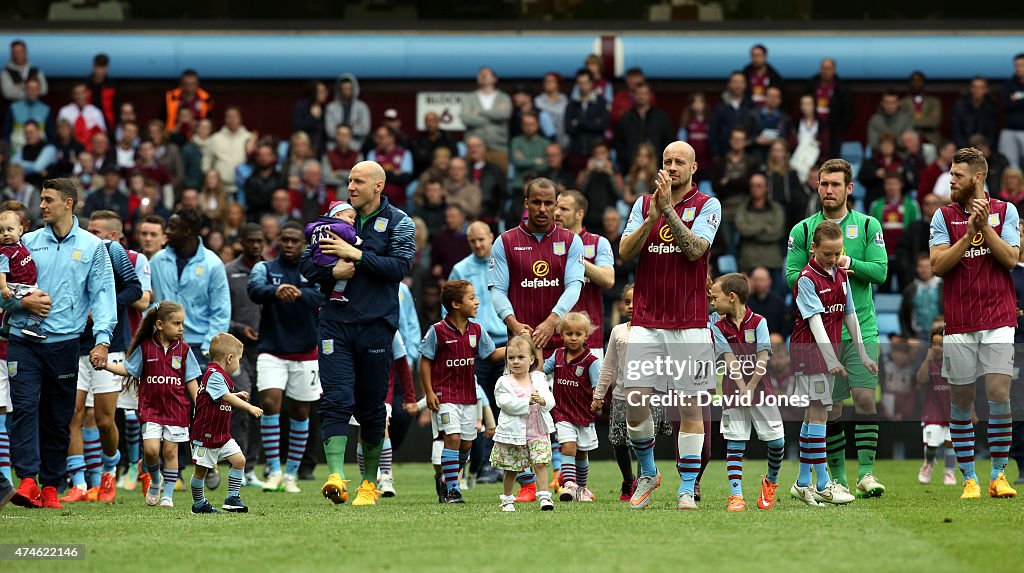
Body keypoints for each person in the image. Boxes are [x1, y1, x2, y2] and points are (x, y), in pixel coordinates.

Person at [299, 160, 415, 507]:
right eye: (349, 180)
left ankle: (368, 484)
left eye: (358, 181)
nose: (350, 186)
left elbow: (400, 266)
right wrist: (332, 268)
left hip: (377, 326)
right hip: (335, 323)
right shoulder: (334, 219)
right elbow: (306, 264)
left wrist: (357, 255)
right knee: (335, 398)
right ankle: (336, 475)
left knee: (371, 406)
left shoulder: (399, 222)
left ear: (378, 186)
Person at [618, 140, 722, 510]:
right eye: (667, 161)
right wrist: (651, 217)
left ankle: (687, 486)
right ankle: (648, 472)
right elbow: (624, 253)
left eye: (680, 162)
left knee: (691, 408)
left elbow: (696, 251)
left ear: (694, 168)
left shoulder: (708, 205)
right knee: (634, 400)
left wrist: (669, 212)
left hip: (690, 322)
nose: (672, 166)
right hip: (646, 319)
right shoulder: (643, 204)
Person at [5, 178, 116, 510]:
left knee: (58, 416)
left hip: (66, 344)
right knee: (24, 409)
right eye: (41, 199)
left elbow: (104, 296)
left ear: (68, 204)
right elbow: (4, 289)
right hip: (22, 340)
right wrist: (21, 304)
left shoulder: (93, 247)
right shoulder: (25, 242)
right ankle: (27, 479)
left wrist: (102, 340)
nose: (41, 205)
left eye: (47, 199)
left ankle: (51, 485)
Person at [786, 158, 888, 498]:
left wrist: (848, 264)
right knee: (830, 408)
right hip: (820, 332)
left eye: (835, 184)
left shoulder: (869, 224)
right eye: (823, 183)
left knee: (864, 398)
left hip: (861, 325)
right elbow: (790, 275)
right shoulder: (803, 229)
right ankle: (839, 476)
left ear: (849, 188)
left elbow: (881, 271)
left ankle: (867, 474)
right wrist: (818, 281)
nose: (828, 190)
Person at [928, 146, 1020, 499]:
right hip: (960, 320)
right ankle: (969, 478)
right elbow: (937, 265)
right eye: (951, 175)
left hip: (998, 318)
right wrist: (968, 235)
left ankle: (998, 475)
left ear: (977, 178)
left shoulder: (1005, 210)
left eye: (957, 176)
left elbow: (1011, 259)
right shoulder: (943, 217)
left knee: (999, 393)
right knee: (962, 399)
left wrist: (985, 228)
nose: (951, 181)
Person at [59, 211, 142, 504]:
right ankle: (80, 483)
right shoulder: (72, 250)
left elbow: (135, 290)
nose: (87, 233)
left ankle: (108, 472)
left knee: (106, 419)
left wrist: (104, 305)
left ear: (110, 235)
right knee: (74, 414)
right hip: (73, 343)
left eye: (95, 230)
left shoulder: (113, 251)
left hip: (109, 345)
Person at [789, 221, 874, 507]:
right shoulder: (806, 279)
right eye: (827, 253)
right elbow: (815, 322)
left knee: (813, 414)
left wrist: (862, 354)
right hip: (809, 352)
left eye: (837, 253)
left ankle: (803, 483)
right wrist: (831, 359)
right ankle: (824, 484)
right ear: (813, 248)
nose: (832, 258)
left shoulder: (840, 274)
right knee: (820, 412)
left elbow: (850, 314)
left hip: (828, 352)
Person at [248, 221, 324, 494]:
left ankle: (291, 473)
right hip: (271, 350)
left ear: (303, 244)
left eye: (295, 240)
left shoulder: (314, 269)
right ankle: (274, 470)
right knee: (269, 403)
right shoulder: (265, 268)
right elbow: (254, 290)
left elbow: (323, 296)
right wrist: (275, 291)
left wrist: (300, 294)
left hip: (306, 352)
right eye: (285, 240)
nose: (289, 245)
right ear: (279, 241)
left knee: (301, 411)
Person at [104, 301, 201, 508]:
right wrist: (105, 365)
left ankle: (168, 496)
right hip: (150, 410)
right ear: (159, 324)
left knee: (171, 453)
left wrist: (200, 403)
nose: (181, 328)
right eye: (176, 323)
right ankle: (156, 480)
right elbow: (129, 370)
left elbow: (191, 380)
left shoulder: (184, 350)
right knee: (150, 451)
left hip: (177, 409)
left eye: (182, 324)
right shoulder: (145, 348)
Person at [420, 280, 502, 503]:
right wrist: (429, 392)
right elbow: (425, 361)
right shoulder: (437, 331)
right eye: (472, 298)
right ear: (456, 304)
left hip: (469, 397)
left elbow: (492, 354)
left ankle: (445, 479)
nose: (477, 302)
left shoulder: (477, 330)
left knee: (466, 444)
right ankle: (454, 488)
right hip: (445, 396)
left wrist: (517, 346)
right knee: (452, 438)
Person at [708, 273, 785, 511]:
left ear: (731, 297)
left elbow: (763, 356)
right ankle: (736, 495)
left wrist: (751, 387)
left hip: (761, 389)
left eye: (715, 298)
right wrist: (742, 389)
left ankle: (771, 481)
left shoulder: (759, 321)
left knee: (777, 442)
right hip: (733, 392)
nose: (711, 303)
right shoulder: (716, 324)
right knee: (735, 443)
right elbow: (729, 359)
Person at [188, 332, 263, 514]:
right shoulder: (213, 374)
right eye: (238, 359)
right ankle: (199, 504)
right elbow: (224, 396)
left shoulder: (219, 376)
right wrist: (249, 407)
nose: (238, 364)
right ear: (229, 358)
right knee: (201, 472)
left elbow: (219, 396)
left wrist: (235, 395)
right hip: (205, 435)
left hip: (221, 434)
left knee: (239, 460)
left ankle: (232, 498)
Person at [149, 208, 230, 363]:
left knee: (197, 389)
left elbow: (221, 310)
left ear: (186, 231)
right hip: (162, 343)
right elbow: (147, 300)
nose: (167, 232)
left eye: (172, 228)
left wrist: (208, 348)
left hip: (199, 346)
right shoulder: (157, 260)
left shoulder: (212, 263)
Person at [491, 334, 556, 512]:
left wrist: (542, 400)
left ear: (531, 359)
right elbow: (503, 403)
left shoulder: (539, 378)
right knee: (512, 468)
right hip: (514, 433)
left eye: (521, 357)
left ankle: (544, 497)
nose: (516, 362)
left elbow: (551, 400)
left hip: (537, 431)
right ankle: (507, 499)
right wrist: (526, 401)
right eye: (511, 358)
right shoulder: (504, 382)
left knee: (540, 463)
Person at [541, 312, 601, 502]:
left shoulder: (591, 361)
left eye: (578, 334)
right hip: (562, 413)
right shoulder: (557, 355)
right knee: (567, 447)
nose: (573, 338)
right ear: (561, 334)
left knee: (582, 452)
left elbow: (597, 386)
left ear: (586, 335)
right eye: (569, 334)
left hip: (583, 414)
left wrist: (597, 400)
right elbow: (542, 372)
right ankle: (569, 485)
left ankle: (582, 488)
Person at [224, 223, 265, 487]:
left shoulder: (269, 270)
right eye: (251, 241)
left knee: (263, 406)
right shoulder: (228, 273)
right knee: (242, 405)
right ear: (241, 242)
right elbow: (221, 310)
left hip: (268, 348)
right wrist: (239, 328)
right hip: (236, 350)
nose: (256, 246)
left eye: (260, 241)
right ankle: (241, 464)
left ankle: (253, 464)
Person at [554, 189, 614, 355]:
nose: (557, 213)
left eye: (564, 209)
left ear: (579, 214)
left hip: (589, 341)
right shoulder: (545, 244)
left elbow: (608, 279)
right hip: (552, 340)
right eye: (556, 208)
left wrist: (575, 257)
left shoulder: (598, 243)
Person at [916, 328, 957, 486]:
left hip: (952, 409)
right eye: (934, 344)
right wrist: (927, 359)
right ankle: (928, 464)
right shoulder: (929, 363)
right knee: (932, 445)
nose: (938, 348)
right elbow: (920, 380)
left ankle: (949, 472)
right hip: (932, 409)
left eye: (941, 344)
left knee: (950, 442)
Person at [304, 201, 362, 304]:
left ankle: (319, 294)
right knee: (347, 268)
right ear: (337, 214)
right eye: (350, 217)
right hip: (332, 260)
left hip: (317, 261)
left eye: (354, 218)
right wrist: (358, 241)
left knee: (320, 282)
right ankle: (337, 293)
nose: (353, 221)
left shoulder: (316, 225)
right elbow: (352, 238)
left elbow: (307, 230)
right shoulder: (343, 227)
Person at [0, 211, 44, 339]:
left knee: (11, 310)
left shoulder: (20, 244)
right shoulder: (5, 253)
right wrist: (4, 288)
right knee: (42, 300)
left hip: (26, 282)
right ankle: (32, 325)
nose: (6, 234)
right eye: (1, 231)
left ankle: (4, 329)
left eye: (9, 229)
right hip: (19, 285)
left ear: (20, 230)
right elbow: (1, 272)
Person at [461, 66, 512, 172]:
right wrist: (492, 119)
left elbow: (504, 114)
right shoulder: (469, 98)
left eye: (486, 74)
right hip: (473, 147)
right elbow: (466, 118)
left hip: (498, 147)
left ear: (494, 79)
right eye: (481, 74)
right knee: (471, 179)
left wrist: (480, 112)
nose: (483, 76)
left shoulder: (504, 97)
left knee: (500, 180)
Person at [614, 83, 674, 174]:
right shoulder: (625, 118)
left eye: (644, 93)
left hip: (657, 169)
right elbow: (619, 143)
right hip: (630, 169)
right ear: (634, 96)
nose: (641, 96)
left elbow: (669, 142)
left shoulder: (660, 117)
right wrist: (628, 160)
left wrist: (661, 162)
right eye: (638, 93)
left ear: (649, 95)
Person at [735, 172, 786, 276]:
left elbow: (777, 233)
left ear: (766, 188)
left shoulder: (776, 209)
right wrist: (764, 226)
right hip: (748, 262)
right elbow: (743, 231)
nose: (755, 188)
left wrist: (752, 231)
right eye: (752, 185)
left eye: (759, 185)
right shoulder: (742, 209)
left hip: (772, 262)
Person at [565, 68, 610, 175]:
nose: (582, 86)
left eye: (585, 83)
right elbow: (568, 128)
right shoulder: (572, 104)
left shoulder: (601, 102)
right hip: (576, 152)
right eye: (579, 83)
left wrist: (579, 122)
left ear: (591, 83)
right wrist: (593, 122)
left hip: (595, 153)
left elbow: (603, 126)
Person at [804, 58, 852, 158]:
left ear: (834, 69)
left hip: (833, 131)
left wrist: (839, 129)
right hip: (813, 128)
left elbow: (847, 111)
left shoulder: (841, 87)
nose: (825, 71)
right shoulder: (811, 84)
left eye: (828, 68)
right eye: (823, 68)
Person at [208, 106, 253, 195]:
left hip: (243, 188)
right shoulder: (215, 139)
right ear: (225, 119)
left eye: (235, 117)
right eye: (229, 117)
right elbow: (207, 162)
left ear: (240, 119)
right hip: (219, 188)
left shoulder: (249, 137)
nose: (232, 120)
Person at [709, 72, 753, 160]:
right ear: (729, 84)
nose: (738, 85)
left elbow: (755, 129)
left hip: (748, 156)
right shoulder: (720, 106)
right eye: (735, 82)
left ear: (745, 85)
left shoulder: (751, 106)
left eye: (741, 82)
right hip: (724, 155)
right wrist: (715, 153)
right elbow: (713, 131)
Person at [899, 253, 943, 341]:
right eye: (921, 266)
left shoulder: (943, 287)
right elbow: (902, 315)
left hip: (940, 334)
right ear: (916, 269)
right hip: (917, 336)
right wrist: (908, 337)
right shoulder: (910, 289)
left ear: (932, 267)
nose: (924, 270)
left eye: (927, 266)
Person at [325, 74, 371, 153]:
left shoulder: (362, 107)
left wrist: (342, 133)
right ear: (339, 90)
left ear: (354, 89)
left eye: (349, 89)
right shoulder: (331, 107)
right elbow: (330, 131)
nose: (346, 92)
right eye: (344, 89)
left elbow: (364, 129)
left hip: (357, 147)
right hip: (334, 148)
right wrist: (354, 127)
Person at [745, 86, 790, 162]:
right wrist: (756, 140)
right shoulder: (752, 115)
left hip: (777, 159)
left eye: (776, 97)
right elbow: (744, 138)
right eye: (770, 96)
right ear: (765, 97)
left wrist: (778, 141)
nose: (773, 99)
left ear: (780, 100)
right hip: (756, 157)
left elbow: (787, 140)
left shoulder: (785, 119)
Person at [952, 76, 998, 150]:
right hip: (964, 147)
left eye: (980, 88)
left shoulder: (990, 108)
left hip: (984, 148)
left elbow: (992, 132)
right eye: (975, 87)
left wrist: (987, 147)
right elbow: (956, 131)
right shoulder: (960, 106)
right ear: (971, 89)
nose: (977, 90)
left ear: (986, 90)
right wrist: (966, 148)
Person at [900, 72, 943, 144]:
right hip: (910, 141)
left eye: (919, 80)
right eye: (913, 80)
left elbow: (934, 122)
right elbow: (902, 123)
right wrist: (926, 118)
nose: (916, 83)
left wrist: (911, 119)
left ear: (924, 83)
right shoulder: (903, 103)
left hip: (931, 140)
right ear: (910, 83)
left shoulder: (934, 102)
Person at [510, 112, 550, 190]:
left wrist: (525, 160)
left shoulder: (546, 143)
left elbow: (544, 166)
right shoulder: (516, 141)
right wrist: (536, 161)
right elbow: (518, 162)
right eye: (526, 124)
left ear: (538, 125)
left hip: (541, 185)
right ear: (521, 126)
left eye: (532, 124)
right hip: (519, 184)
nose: (529, 127)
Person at [291, 80, 329, 156]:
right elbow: (297, 127)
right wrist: (313, 118)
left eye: (325, 91)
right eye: (321, 92)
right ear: (313, 92)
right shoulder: (301, 106)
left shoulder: (325, 108)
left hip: (319, 150)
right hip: (302, 148)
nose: (325, 94)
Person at [742, 44, 784, 108]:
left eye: (758, 56)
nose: (755, 59)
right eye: (753, 56)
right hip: (748, 112)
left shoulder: (775, 77)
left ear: (765, 57)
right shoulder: (744, 75)